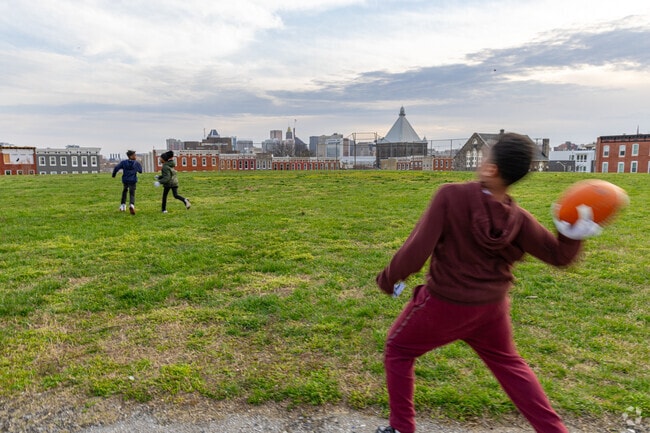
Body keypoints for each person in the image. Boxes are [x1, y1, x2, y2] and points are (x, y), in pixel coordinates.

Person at [374, 133, 601, 433]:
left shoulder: (450, 196)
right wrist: (573, 230)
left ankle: (402, 428)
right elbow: (558, 256)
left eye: (485, 155)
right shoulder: (518, 218)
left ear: (491, 170)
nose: (481, 159)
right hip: (491, 310)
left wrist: (389, 279)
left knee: (398, 349)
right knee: (510, 367)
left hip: (444, 305)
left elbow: (415, 253)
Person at [112, 150, 143, 215]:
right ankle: (131, 205)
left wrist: (114, 174)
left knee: (125, 191)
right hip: (133, 180)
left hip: (125, 179)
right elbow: (140, 171)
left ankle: (123, 205)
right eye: (135, 155)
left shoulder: (124, 162)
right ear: (131, 156)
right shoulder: (136, 163)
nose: (136, 156)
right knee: (132, 193)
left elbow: (116, 167)